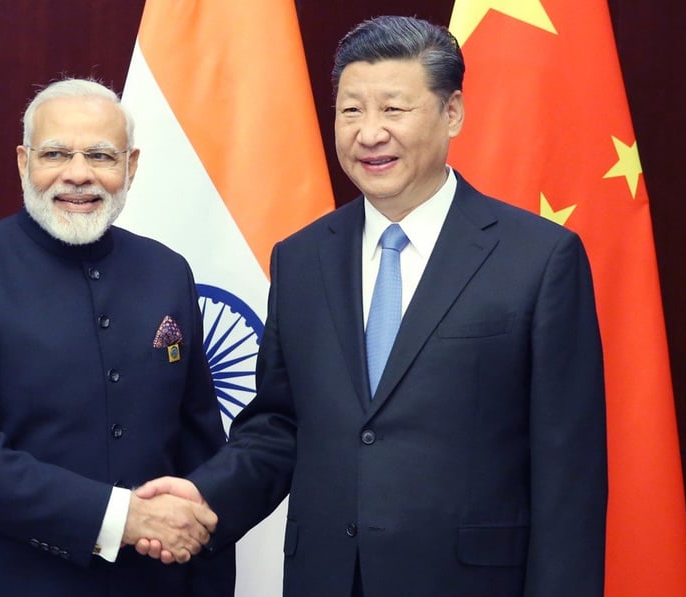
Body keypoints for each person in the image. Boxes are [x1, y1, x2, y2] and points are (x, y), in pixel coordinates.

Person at [135, 15, 607, 596]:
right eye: (351, 110)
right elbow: (282, 424)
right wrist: (208, 498)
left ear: (452, 112)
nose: (369, 133)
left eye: (393, 110)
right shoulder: (302, 258)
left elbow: (569, 473)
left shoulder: (538, 258)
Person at [0, 78, 234, 596]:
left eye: (101, 156)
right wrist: (122, 518)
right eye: (56, 153)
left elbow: (198, 443)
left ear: (131, 166)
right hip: (7, 579)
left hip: (153, 583)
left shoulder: (167, 271)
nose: (78, 175)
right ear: (23, 162)